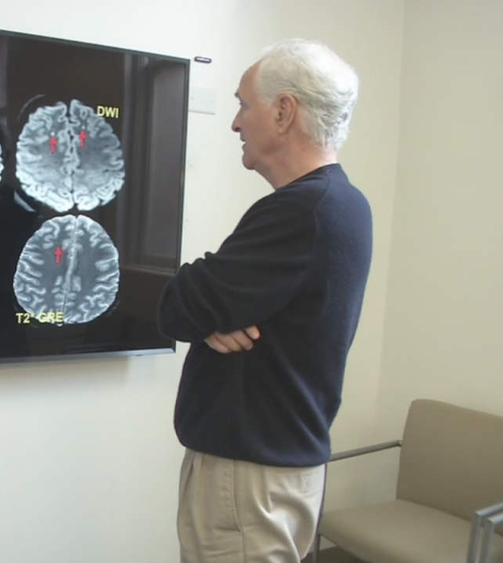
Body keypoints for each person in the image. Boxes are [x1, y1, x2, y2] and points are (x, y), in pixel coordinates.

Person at [157, 39, 372, 563]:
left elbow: (177, 306)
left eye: (243, 105)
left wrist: (203, 314)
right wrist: (211, 317)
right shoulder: (344, 203)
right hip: (276, 471)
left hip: (248, 484)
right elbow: (205, 305)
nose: (235, 123)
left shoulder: (303, 210)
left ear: (283, 111)